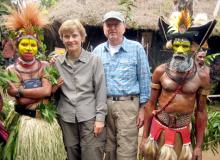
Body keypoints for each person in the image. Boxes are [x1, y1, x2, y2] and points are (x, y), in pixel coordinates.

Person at [140, 10, 216, 160]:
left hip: (182, 133)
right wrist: (144, 137)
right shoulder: (160, 71)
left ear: (192, 48)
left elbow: (201, 112)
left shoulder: (202, 76)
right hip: (158, 130)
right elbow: (150, 105)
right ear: (171, 46)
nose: (180, 50)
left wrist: (199, 146)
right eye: (177, 45)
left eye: (185, 46)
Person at [1, 3, 66, 160]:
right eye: (24, 44)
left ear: (37, 46)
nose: (29, 48)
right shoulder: (11, 70)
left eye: (32, 45)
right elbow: (22, 102)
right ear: (17, 47)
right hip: (23, 124)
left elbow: (41, 92)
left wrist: (20, 91)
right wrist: (46, 91)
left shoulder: (44, 65)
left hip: (45, 122)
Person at [93, 11, 151, 160]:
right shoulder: (97, 51)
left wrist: (142, 109)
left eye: (116, 24)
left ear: (124, 27)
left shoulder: (136, 48)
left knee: (126, 150)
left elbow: (144, 79)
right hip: (104, 105)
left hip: (128, 106)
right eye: (108, 25)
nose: (112, 28)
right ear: (104, 28)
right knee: (109, 149)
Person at [52, 19, 107, 160]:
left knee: (92, 154)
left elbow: (100, 90)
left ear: (82, 37)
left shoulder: (94, 60)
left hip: (89, 117)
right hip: (66, 118)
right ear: (62, 39)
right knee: (70, 154)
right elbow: (53, 91)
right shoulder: (57, 63)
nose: (71, 40)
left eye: (74, 35)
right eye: (66, 36)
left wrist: (100, 119)